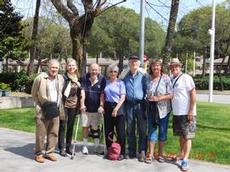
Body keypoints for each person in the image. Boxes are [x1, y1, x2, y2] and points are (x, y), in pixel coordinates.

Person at [31, 59, 64, 163]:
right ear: (48, 67)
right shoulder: (40, 78)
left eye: (56, 68)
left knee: (54, 132)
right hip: (42, 108)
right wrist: (38, 105)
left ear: (58, 69)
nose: (54, 69)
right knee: (41, 132)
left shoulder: (60, 78)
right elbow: (33, 93)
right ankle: (39, 153)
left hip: (55, 108)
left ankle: (50, 152)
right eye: (52, 67)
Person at [169, 58, 196, 171]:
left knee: (187, 136)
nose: (174, 68)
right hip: (177, 113)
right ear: (170, 68)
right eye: (172, 66)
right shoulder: (171, 79)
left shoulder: (186, 78)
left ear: (180, 67)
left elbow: (193, 94)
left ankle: (185, 159)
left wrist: (191, 110)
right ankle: (181, 154)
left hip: (187, 113)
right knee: (181, 135)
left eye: (177, 66)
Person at [145, 59, 172, 164]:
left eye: (157, 66)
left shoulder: (166, 78)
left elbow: (171, 94)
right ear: (151, 67)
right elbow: (146, 92)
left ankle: (160, 154)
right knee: (151, 131)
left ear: (161, 67)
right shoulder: (148, 79)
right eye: (153, 66)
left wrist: (158, 98)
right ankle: (150, 154)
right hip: (151, 109)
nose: (155, 68)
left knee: (162, 131)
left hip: (163, 110)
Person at [121, 54, 147, 162]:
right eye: (132, 61)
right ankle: (131, 150)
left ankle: (142, 151)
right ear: (129, 64)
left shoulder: (143, 75)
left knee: (142, 129)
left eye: (136, 62)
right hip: (129, 105)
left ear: (139, 64)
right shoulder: (124, 76)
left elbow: (147, 89)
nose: (134, 63)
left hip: (140, 105)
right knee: (130, 128)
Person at [80, 63, 106, 154]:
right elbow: (82, 92)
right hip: (86, 108)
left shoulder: (102, 79)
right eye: (92, 69)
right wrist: (82, 104)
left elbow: (102, 94)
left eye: (96, 70)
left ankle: (96, 147)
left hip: (96, 109)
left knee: (95, 128)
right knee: (85, 127)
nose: (94, 71)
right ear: (89, 70)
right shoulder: (84, 78)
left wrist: (101, 105)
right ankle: (85, 146)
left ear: (99, 70)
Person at [58, 58, 81, 156]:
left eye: (73, 65)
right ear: (67, 67)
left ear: (76, 67)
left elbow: (80, 92)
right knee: (62, 126)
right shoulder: (63, 78)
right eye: (69, 65)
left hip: (74, 106)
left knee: (71, 127)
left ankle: (68, 147)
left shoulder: (78, 79)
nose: (71, 67)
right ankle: (61, 147)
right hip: (64, 105)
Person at [103, 64, 126, 161]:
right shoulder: (106, 82)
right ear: (108, 72)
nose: (113, 73)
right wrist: (101, 105)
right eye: (111, 71)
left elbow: (123, 97)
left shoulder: (121, 83)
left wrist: (116, 109)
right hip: (107, 107)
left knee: (120, 132)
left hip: (118, 107)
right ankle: (110, 151)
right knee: (108, 130)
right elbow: (102, 95)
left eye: (115, 72)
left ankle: (122, 152)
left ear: (118, 73)